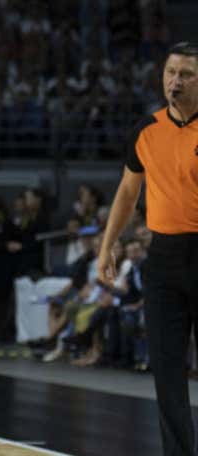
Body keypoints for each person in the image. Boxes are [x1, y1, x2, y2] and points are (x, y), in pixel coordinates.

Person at [98, 41, 198, 456]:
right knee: (167, 369)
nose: (175, 81)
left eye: (186, 74)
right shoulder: (145, 130)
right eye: (171, 72)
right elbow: (126, 193)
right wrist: (108, 246)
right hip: (163, 259)